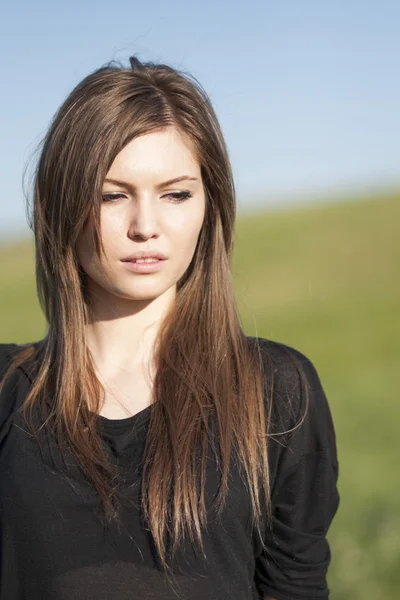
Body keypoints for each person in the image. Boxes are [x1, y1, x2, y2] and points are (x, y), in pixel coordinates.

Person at [0, 55, 339, 600]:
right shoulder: (8, 391)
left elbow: (297, 587)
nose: (145, 227)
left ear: (211, 205)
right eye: (113, 195)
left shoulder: (276, 390)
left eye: (176, 194)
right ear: (62, 203)